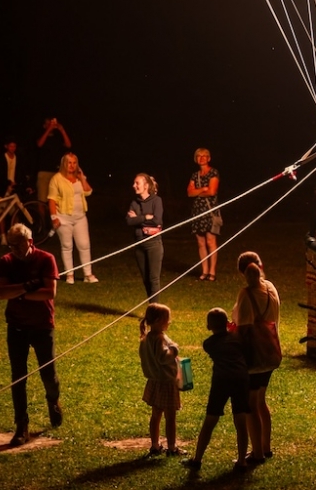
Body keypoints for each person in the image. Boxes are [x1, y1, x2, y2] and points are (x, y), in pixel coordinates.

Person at [0, 223, 61, 446]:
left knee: (48, 374)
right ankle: (21, 425)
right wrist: (26, 287)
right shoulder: (6, 261)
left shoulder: (46, 259)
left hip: (42, 325)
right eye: (11, 245)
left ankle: (53, 400)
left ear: (30, 242)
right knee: (18, 377)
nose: (14, 249)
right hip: (16, 326)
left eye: (18, 245)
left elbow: (49, 293)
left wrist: (19, 294)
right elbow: (2, 293)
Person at [183, 308, 250, 472]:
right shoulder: (238, 339)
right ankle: (242, 460)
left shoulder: (209, 344)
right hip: (241, 379)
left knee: (210, 420)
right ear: (227, 323)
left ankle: (197, 459)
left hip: (221, 381)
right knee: (241, 421)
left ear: (208, 326)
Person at [234, 256, 280, 463]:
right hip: (270, 350)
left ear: (242, 272)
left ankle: (258, 453)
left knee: (251, 404)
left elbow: (243, 327)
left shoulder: (246, 294)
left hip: (254, 355)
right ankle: (266, 447)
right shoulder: (270, 288)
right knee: (261, 401)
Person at [138, 302, 184, 456]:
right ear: (158, 321)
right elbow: (163, 357)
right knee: (170, 417)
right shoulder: (159, 338)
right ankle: (172, 447)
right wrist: (174, 350)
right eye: (167, 319)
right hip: (166, 383)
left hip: (154, 381)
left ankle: (155, 445)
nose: (169, 322)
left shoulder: (146, 338)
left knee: (156, 415)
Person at [48, 152, 95, 284]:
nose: (72, 165)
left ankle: (88, 274)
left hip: (80, 217)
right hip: (63, 217)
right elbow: (51, 199)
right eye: (69, 163)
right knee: (67, 245)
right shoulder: (56, 179)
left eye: (74, 163)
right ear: (64, 164)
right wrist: (54, 217)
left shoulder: (79, 178)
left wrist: (82, 178)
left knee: (84, 245)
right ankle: (70, 274)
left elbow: (88, 191)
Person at [128, 173, 164, 302]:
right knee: (145, 279)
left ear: (146, 185)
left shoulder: (156, 201)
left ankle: (155, 308)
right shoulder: (134, 203)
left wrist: (138, 219)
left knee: (153, 278)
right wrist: (146, 218)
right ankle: (152, 306)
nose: (134, 186)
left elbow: (157, 221)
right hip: (139, 244)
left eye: (137, 183)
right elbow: (129, 221)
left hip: (153, 244)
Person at [187, 148, 220, 281]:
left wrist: (197, 191)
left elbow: (212, 192)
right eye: (199, 156)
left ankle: (212, 272)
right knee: (200, 242)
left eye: (204, 156)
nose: (201, 158)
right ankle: (204, 271)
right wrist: (203, 189)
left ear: (209, 158)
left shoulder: (213, 172)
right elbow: (189, 193)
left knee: (210, 241)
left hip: (209, 210)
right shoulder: (195, 175)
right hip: (197, 211)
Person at [36, 117, 71, 203]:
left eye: (51, 124)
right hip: (43, 171)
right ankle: (41, 212)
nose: (50, 125)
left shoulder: (57, 137)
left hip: (56, 172)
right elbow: (39, 144)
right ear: (44, 126)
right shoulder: (40, 135)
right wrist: (48, 129)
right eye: (48, 124)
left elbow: (68, 145)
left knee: (55, 200)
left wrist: (62, 130)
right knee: (42, 200)